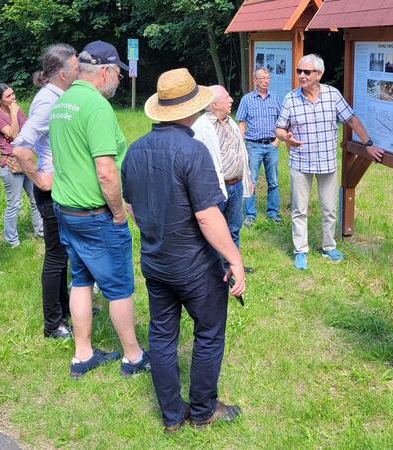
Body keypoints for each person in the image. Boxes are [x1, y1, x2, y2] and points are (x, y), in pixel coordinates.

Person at [123, 68, 245, 432]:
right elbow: (208, 217)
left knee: (162, 336)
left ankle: (173, 416)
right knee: (208, 332)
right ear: (191, 109)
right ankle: (203, 410)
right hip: (193, 265)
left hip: (155, 261)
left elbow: (131, 206)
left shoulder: (134, 150)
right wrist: (235, 259)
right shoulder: (193, 151)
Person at [48, 40, 149, 378]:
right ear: (104, 71)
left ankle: (83, 353)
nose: (119, 80)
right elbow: (106, 171)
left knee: (81, 279)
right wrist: (119, 213)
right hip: (96, 214)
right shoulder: (97, 107)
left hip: (67, 210)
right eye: (118, 73)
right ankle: (133, 356)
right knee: (119, 286)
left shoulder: (63, 103)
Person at [275, 54, 376, 270]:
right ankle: (300, 250)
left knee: (330, 208)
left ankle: (329, 247)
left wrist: (368, 143)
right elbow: (279, 128)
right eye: (299, 71)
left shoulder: (332, 95)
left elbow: (351, 118)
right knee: (299, 210)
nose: (301, 75)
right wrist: (285, 137)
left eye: (306, 72)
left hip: (327, 163)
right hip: (300, 164)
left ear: (319, 74)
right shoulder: (290, 99)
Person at [11, 44, 79, 339]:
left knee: (63, 253)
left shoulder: (58, 96)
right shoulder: (47, 101)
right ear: (63, 73)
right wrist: (39, 179)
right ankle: (53, 323)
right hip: (51, 191)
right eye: (76, 68)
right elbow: (21, 145)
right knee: (55, 256)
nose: (80, 72)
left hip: (62, 187)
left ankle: (65, 309)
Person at [191, 85, 252, 252]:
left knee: (234, 228)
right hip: (216, 187)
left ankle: (232, 265)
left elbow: (241, 151)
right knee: (214, 231)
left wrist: (248, 176)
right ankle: (215, 270)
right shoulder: (200, 127)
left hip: (237, 184)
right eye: (227, 97)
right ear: (215, 104)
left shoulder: (230, 121)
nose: (231, 100)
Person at [0, 83, 43, 247]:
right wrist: (13, 113)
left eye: (13, 94)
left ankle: (40, 231)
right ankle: (12, 240)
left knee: (36, 199)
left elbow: (27, 134)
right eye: (8, 96)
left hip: (25, 160)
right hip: (10, 163)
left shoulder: (19, 111)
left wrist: (39, 154)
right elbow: (12, 134)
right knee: (14, 203)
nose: (13, 98)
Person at [236, 66, 283, 226]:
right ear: (255, 80)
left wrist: (277, 141)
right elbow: (241, 123)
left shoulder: (275, 98)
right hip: (253, 146)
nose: (265, 80)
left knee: (273, 181)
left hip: (271, 145)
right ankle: (250, 214)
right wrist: (240, 144)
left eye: (268, 77)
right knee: (251, 180)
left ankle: (273, 213)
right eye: (262, 78)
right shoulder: (247, 99)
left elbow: (282, 122)